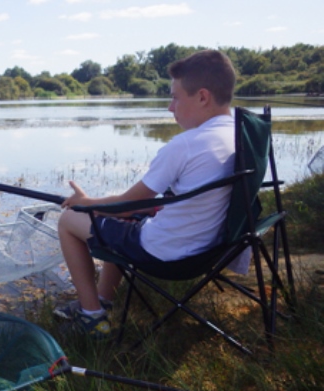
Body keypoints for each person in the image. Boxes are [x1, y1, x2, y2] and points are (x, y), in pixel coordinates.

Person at [53, 49, 238, 340]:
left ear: (202, 97)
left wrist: (85, 204)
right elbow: (146, 203)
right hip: (210, 247)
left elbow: (127, 206)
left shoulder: (187, 144)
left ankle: (91, 318)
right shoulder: (240, 133)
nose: (169, 107)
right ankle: (103, 300)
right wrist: (110, 207)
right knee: (117, 219)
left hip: (167, 253)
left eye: (175, 97)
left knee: (68, 219)